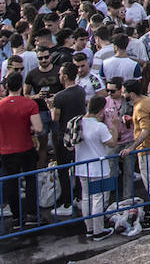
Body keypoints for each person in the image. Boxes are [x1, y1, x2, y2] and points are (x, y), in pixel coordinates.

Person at [0, 71, 43, 230]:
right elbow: (39, 128)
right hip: (26, 148)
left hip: (7, 151)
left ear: (6, 86)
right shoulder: (30, 104)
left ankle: (17, 218)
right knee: (31, 181)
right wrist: (30, 129)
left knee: (11, 183)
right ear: (21, 85)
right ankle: (32, 215)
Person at [122, 77, 150, 229]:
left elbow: (145, 130)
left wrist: (131, 147)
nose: (123, 95)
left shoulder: (140, 106)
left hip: (148, 149)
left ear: (131, 93)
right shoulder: (146, 101)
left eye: (124, 92)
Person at [74, 94, 118, 241]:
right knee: (98, 198)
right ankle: (98, 230)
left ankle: (89, 228)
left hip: (81, 166)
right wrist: (115, 125)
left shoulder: (77, 123)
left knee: (86, 197)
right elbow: (112, 143)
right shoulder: (100, 127)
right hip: (98, 167)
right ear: (100, 111)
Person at [50, 61, 87, 216]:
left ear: (64, 76)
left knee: (63, 170)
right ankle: (79, 197)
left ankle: (66, 203)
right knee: (77, 167)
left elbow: (55, 117)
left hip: (63, 136)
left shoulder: (59, 97)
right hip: (78, 134)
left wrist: (50, 106)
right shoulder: (81, 91)